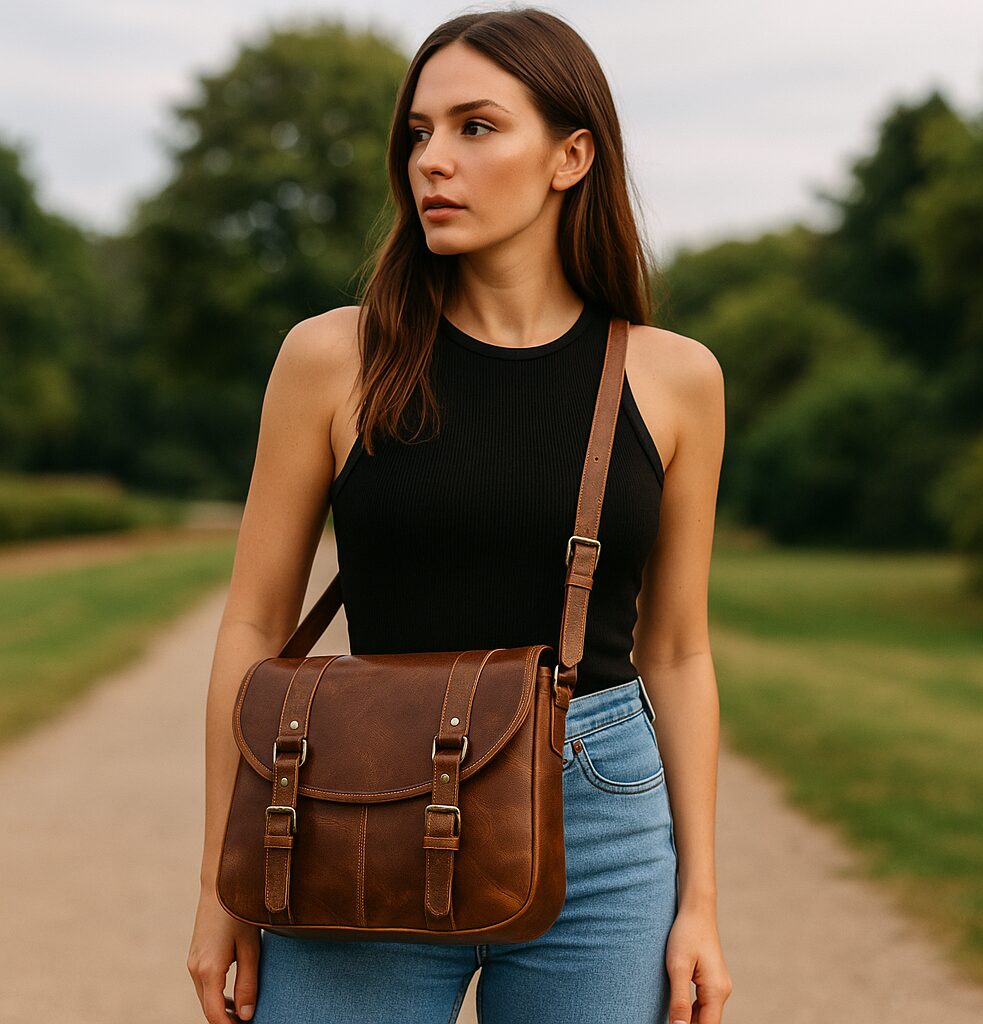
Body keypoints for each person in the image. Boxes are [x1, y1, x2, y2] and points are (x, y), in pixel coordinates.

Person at [186, 7, 731, 1023]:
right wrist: (224, 886)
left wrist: (698, 899)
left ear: (571, 154)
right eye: (419, 132)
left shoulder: (673, 378)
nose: (432, 160)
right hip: (359, 805)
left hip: (603, 830)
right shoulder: (331, 358)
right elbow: (256, 626)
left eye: (475, 127)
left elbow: (678, 651)